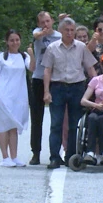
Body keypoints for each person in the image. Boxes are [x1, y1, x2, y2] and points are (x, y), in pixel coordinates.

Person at [42, 17, 98, 169]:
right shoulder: (52, 48)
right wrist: (46, 91)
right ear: (60, 31)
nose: (69, 33)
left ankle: (71, 157)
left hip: (77, 87)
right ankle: (54, 157)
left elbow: (90, 68)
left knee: (75, 124)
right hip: (58, 87)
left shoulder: (81, 47)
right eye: (66, 30)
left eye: (72, 30)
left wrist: (98, 87)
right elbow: (47, 70)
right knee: (56, 124)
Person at [0, 30, 36, 167]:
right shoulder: (1, 58)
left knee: (14, 126)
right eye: (12, 40)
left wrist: (32, 54)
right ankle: (5, 157)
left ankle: (14, 156)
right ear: (7, 42)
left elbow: (32, 68)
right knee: (4, 126)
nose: (15, 43)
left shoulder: (24, 56)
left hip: (19, 96)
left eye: (17, 40)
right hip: (4, 95)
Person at [29, 11, 62, 165]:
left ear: (53, 21)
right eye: (42, 22)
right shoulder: (37, 33)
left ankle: (56, 152)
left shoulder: (59, 36)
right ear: (38, 24)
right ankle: (35, 152)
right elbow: (36, 36)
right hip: (38, 78)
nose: (46, 24)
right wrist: (43, 32)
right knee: (37, 119)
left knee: (57, 119)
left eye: (48, 21)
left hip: (55, 80)